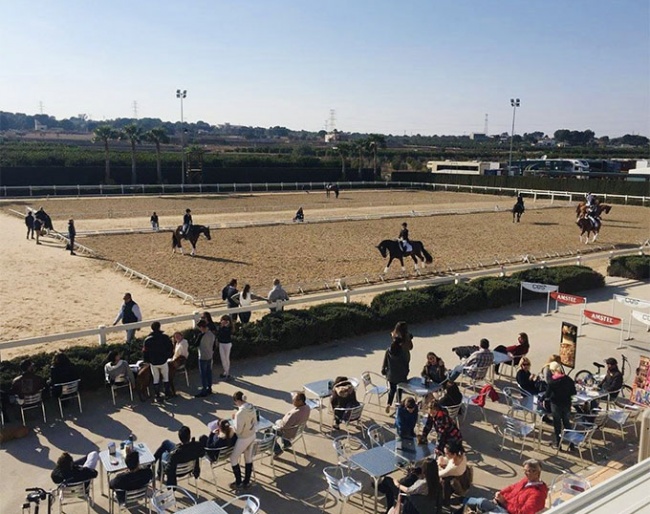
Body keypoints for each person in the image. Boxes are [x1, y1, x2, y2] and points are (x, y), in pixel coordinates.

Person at [459, 459, 547, 514]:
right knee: (481, 501)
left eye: (527, 471)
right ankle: (461, 500)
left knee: (482, 505)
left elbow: (522, 512)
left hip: (507, 511)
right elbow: (512, 487)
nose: (524, 473)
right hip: (502, 504)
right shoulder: (526, 480)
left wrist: (505, 502)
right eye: (524, 470)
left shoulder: (537, 495)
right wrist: (500, 493)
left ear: (536, 473)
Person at [545, 361, 577, 450]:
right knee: (567, 424)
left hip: (556, 405)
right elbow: (574, 392)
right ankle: (572, 444)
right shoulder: (568, 379)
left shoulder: (552, 382)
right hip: (567, 404)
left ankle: (558, 444)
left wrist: (542, 399)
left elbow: (547, 395)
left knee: (557, 425)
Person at [229, 391, 258, 490]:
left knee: (233, 458)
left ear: (237, 400)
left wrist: (233, 421)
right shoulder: (251, 406)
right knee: (248, 458)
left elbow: (237, 430)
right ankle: (246, 481)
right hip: (252, 434)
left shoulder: (239, 413)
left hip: (243, 438)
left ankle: (238, 482)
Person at [142, 322, 174, 402]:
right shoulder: (165, 337)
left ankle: (157, 395)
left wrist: (147, 360)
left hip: (153, 362)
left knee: (155, 379)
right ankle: (167, 394)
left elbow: (145, 352)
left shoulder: (147, 340)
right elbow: (170, 347)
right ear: (159, 327)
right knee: (165, 377)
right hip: (163, 361)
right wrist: (168, 356)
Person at [381, 335, 410, 414]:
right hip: (400, 376)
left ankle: (388, 403)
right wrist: (407, 372)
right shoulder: (403, 353)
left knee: (392, 390)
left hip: (391, 375)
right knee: (399, 390)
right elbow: (406, 363)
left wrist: (384, 370)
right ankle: (398, 404)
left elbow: (385, 362)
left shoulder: (389, 350)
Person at [437, 440, 468, 506]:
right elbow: (449, 459)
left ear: (454, 454)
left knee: (443, 481)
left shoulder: (453, 467)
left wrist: (439, 464)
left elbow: (439, 474)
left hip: (455, 483)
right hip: (463, 476)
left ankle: (445, 501)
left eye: (446, 453)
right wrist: (442, 458)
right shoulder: (461, 455)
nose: (445, 455)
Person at [194, 319, 216, 397]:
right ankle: (209, 388)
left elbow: (195, 344)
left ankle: (204, 390)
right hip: (210, 355)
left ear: (202, 327)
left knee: (203, 374)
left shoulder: (201, 335)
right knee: (209, 373)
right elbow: (214, 345)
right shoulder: (212, 334)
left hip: (202, 356)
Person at [216, 314, 234, 380]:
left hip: (227, 344)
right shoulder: (220, 328)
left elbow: (227, 334)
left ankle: (227, 373)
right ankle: (226, 372)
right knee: (223, 359)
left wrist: (225, 327)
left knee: (226, 358)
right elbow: (219, 334)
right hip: (221, 344)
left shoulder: (229, 328)